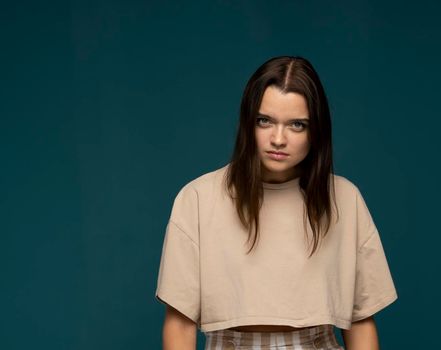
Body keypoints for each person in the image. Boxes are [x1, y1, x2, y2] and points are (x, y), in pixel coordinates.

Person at [155, 56, 398, 350]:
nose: (278, 139)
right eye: (265, 121)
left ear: (316, 131)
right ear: (247, 123)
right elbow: (180, 324)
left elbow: (360, 319)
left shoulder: (345, 199)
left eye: (297, 125)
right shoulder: (197, 198)